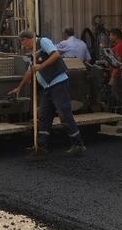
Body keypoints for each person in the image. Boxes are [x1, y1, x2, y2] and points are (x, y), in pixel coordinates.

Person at [8, 29, 86, 157]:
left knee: (64, 114)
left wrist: (41, 66)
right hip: (48, 87)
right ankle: (41, 146)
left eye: (22, 43)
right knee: (44, 116)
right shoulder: (33, 54)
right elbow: (30, 72)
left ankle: (78, 144)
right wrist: (19, 88)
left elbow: (55, 55)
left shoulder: (43, 41)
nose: (23, 46)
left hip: (58, 83)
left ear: (26, 39)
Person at [107, 28, 122, 106]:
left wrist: (113, 77)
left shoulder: (119, 46)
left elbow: (118, 63)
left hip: (118, 75)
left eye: (110, 35)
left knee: (118, 97)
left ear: (116, 36)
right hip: (119, 74)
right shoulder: (119, 45)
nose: (109, 37)